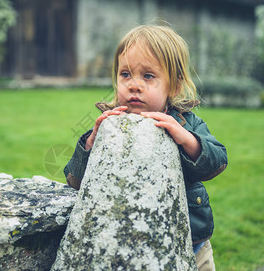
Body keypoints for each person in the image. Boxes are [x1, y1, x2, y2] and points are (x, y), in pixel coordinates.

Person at [63, 24, 228, 270]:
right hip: (131, 243)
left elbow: (217, 160)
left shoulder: (185, 122)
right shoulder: (110, 124)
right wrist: (91, 142)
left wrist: (186, 139)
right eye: (125, 74)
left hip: (192, 243)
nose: (134, 85)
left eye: (148, 76)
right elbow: (74, 180)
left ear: (174, 86)